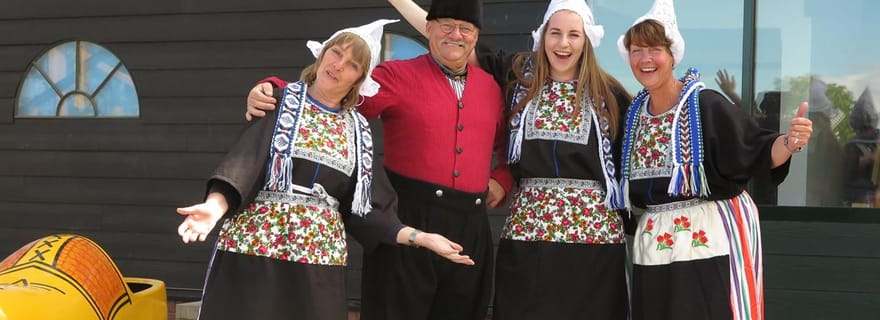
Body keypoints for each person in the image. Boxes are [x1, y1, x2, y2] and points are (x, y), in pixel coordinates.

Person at [176, 19, 476, 320]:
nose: (338, 65)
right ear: (322, 54)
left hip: (318, 258)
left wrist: (421, 238)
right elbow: (244, 163)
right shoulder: (278, 101)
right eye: (336, 53)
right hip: (255, 249)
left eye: (352, 65)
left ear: (359, 79)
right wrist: (213, 209)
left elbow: (370, 211)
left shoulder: (358, 130)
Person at [243, 1, 513, 319]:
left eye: (465, 29)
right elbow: (332, 98)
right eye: (446, 26)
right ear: (429, 28)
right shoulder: (396, 74)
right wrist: (275, 90)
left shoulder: (491, 88)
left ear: (475, 36)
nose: (455, 35)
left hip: (471, 227)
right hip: (407, 217)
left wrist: (502, 179)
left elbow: (508, 143)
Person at [388, 0, 633, 318]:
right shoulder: (517, 74)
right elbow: (452, 38)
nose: (563, 43)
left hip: (594, 240)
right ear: (542, 35)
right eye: (555, 33)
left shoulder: (611, 94)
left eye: (574, 35)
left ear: (587, 40)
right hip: (528, 235)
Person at [615, 0, 814, 319]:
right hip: (655, 245)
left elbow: (757, 150)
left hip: (710, 237)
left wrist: (790, 143)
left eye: (654, 49)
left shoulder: (704, 105)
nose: (645, 59)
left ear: (672, 55)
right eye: (636, 50)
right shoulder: (632, 117)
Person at [843, 87, 879, 207]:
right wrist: (869, 158)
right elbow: (847, 169)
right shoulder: (851, 145)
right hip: (856, 198)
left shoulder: (876, 139)